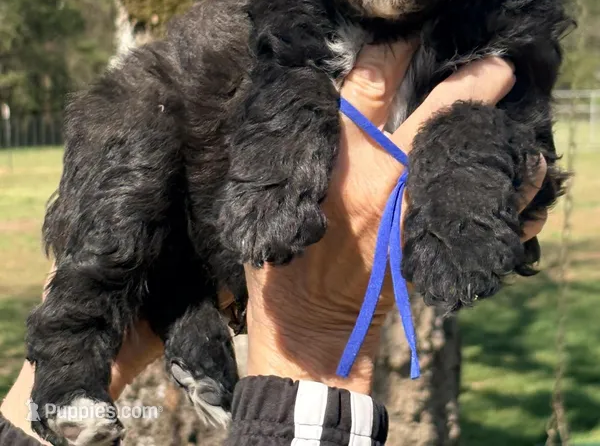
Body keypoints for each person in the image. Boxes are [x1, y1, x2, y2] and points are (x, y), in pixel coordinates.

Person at [0, 42, 547, 445]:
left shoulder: (495, 34)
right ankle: (75, 368)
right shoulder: (290, 27)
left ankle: (180, 316)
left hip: (204, 241)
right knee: (131, 169)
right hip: (158, 153)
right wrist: (315, 333)